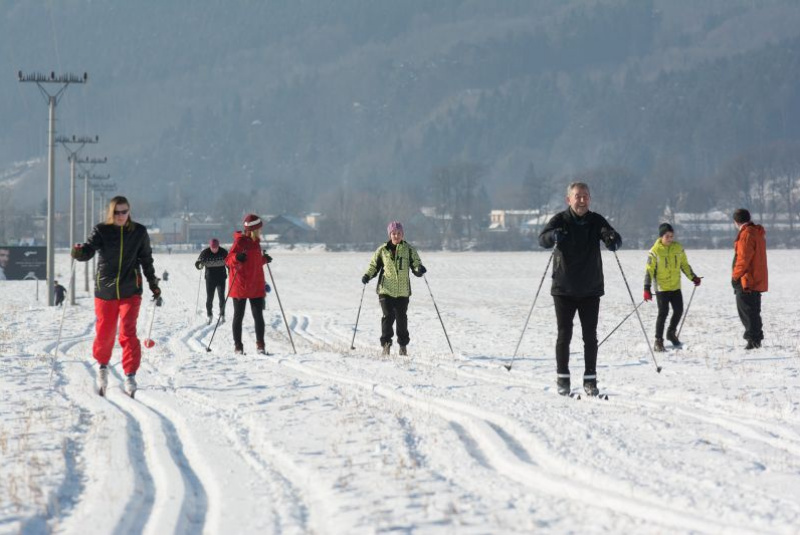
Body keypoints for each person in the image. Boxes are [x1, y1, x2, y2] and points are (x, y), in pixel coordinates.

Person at [71, 196, 161, 396]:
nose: (121, 216)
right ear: (111, 213)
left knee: (128, 332)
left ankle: (130, 374)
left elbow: (146, 259)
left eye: (125, 212)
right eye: (117, 212)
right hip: (106, 290)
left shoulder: (139, 232)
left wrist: (153, 284)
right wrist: (79, 252)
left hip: (130, 289)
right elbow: (89, 250)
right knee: (105, 331)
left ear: (129, 211)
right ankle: (102, 367)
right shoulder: (102, 230)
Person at [539, 182, 621, 397]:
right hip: (563, 288)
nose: (582, 200)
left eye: (585, 196)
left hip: (590, 288)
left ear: (590, 199)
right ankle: (563, 378)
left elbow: (611, 236)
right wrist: (553, 236)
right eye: (578, 196)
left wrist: (613, 240)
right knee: (564, 335)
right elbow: (543, 240)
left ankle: (590, 380)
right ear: (569, 199)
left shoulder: (596, 220)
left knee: (590, 336)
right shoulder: (560, 220)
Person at [361, 221, 426, 356]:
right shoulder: (382, 250)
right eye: (393, 233)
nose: (396, 236)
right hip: (386, 290)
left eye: (398, 233)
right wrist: (368, 275)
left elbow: (415, 264)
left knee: (401, 318)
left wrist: (419, 269)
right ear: (389, 234)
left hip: (402, 291)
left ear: (402, 234)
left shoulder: (409, 249)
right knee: (388, 316)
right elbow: (374, 266)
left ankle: (403, 346)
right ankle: (386, 345)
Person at [643, 223, 702, 351]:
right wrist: (646, 288)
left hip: (675, 286)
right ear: (661, 236)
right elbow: (649, 270)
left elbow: (684, 265)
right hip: (662, 287)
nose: (670, 239)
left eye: (671, 236)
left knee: (679, 310)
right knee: (663, 313)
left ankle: (671, 333)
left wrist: (694, 277)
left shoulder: (678, 248)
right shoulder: (655, 251)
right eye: (667, 236)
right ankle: (658, 341)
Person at [226, 214, 271, 355]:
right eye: (259, 229)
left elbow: (253, 263)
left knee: (258, 316)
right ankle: (238, 347)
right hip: (241, 284)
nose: (261, 232)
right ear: (253, 229)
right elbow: (228, 260)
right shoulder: (240, 242)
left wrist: (264, 259)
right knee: (238, 316)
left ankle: (260, 345)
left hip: (256, 284)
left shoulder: (256, 242)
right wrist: (236, 257)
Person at [731, 208, 768, 350]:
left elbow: (743, 259)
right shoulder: (757, 232)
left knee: (746, 310)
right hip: (757, 277)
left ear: (736, 222)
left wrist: (735, 276)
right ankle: (756, 338)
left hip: (747, 279)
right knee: (753, 310)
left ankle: (752, 339)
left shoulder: (746, 234)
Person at [195, 238, 229, 325]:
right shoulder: (205, 252)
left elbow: (229, 262)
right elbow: (198, 262)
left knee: (221, 297)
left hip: (221, 278)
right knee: (210, 298)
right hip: (210, 279)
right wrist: (199, 265)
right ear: (210, 246)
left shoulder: (223, 252)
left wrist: (230, 269)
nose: (214, 250)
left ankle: (222, 314)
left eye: (216, 248)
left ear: (218, 246)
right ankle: (209, 315)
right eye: (212, 248)